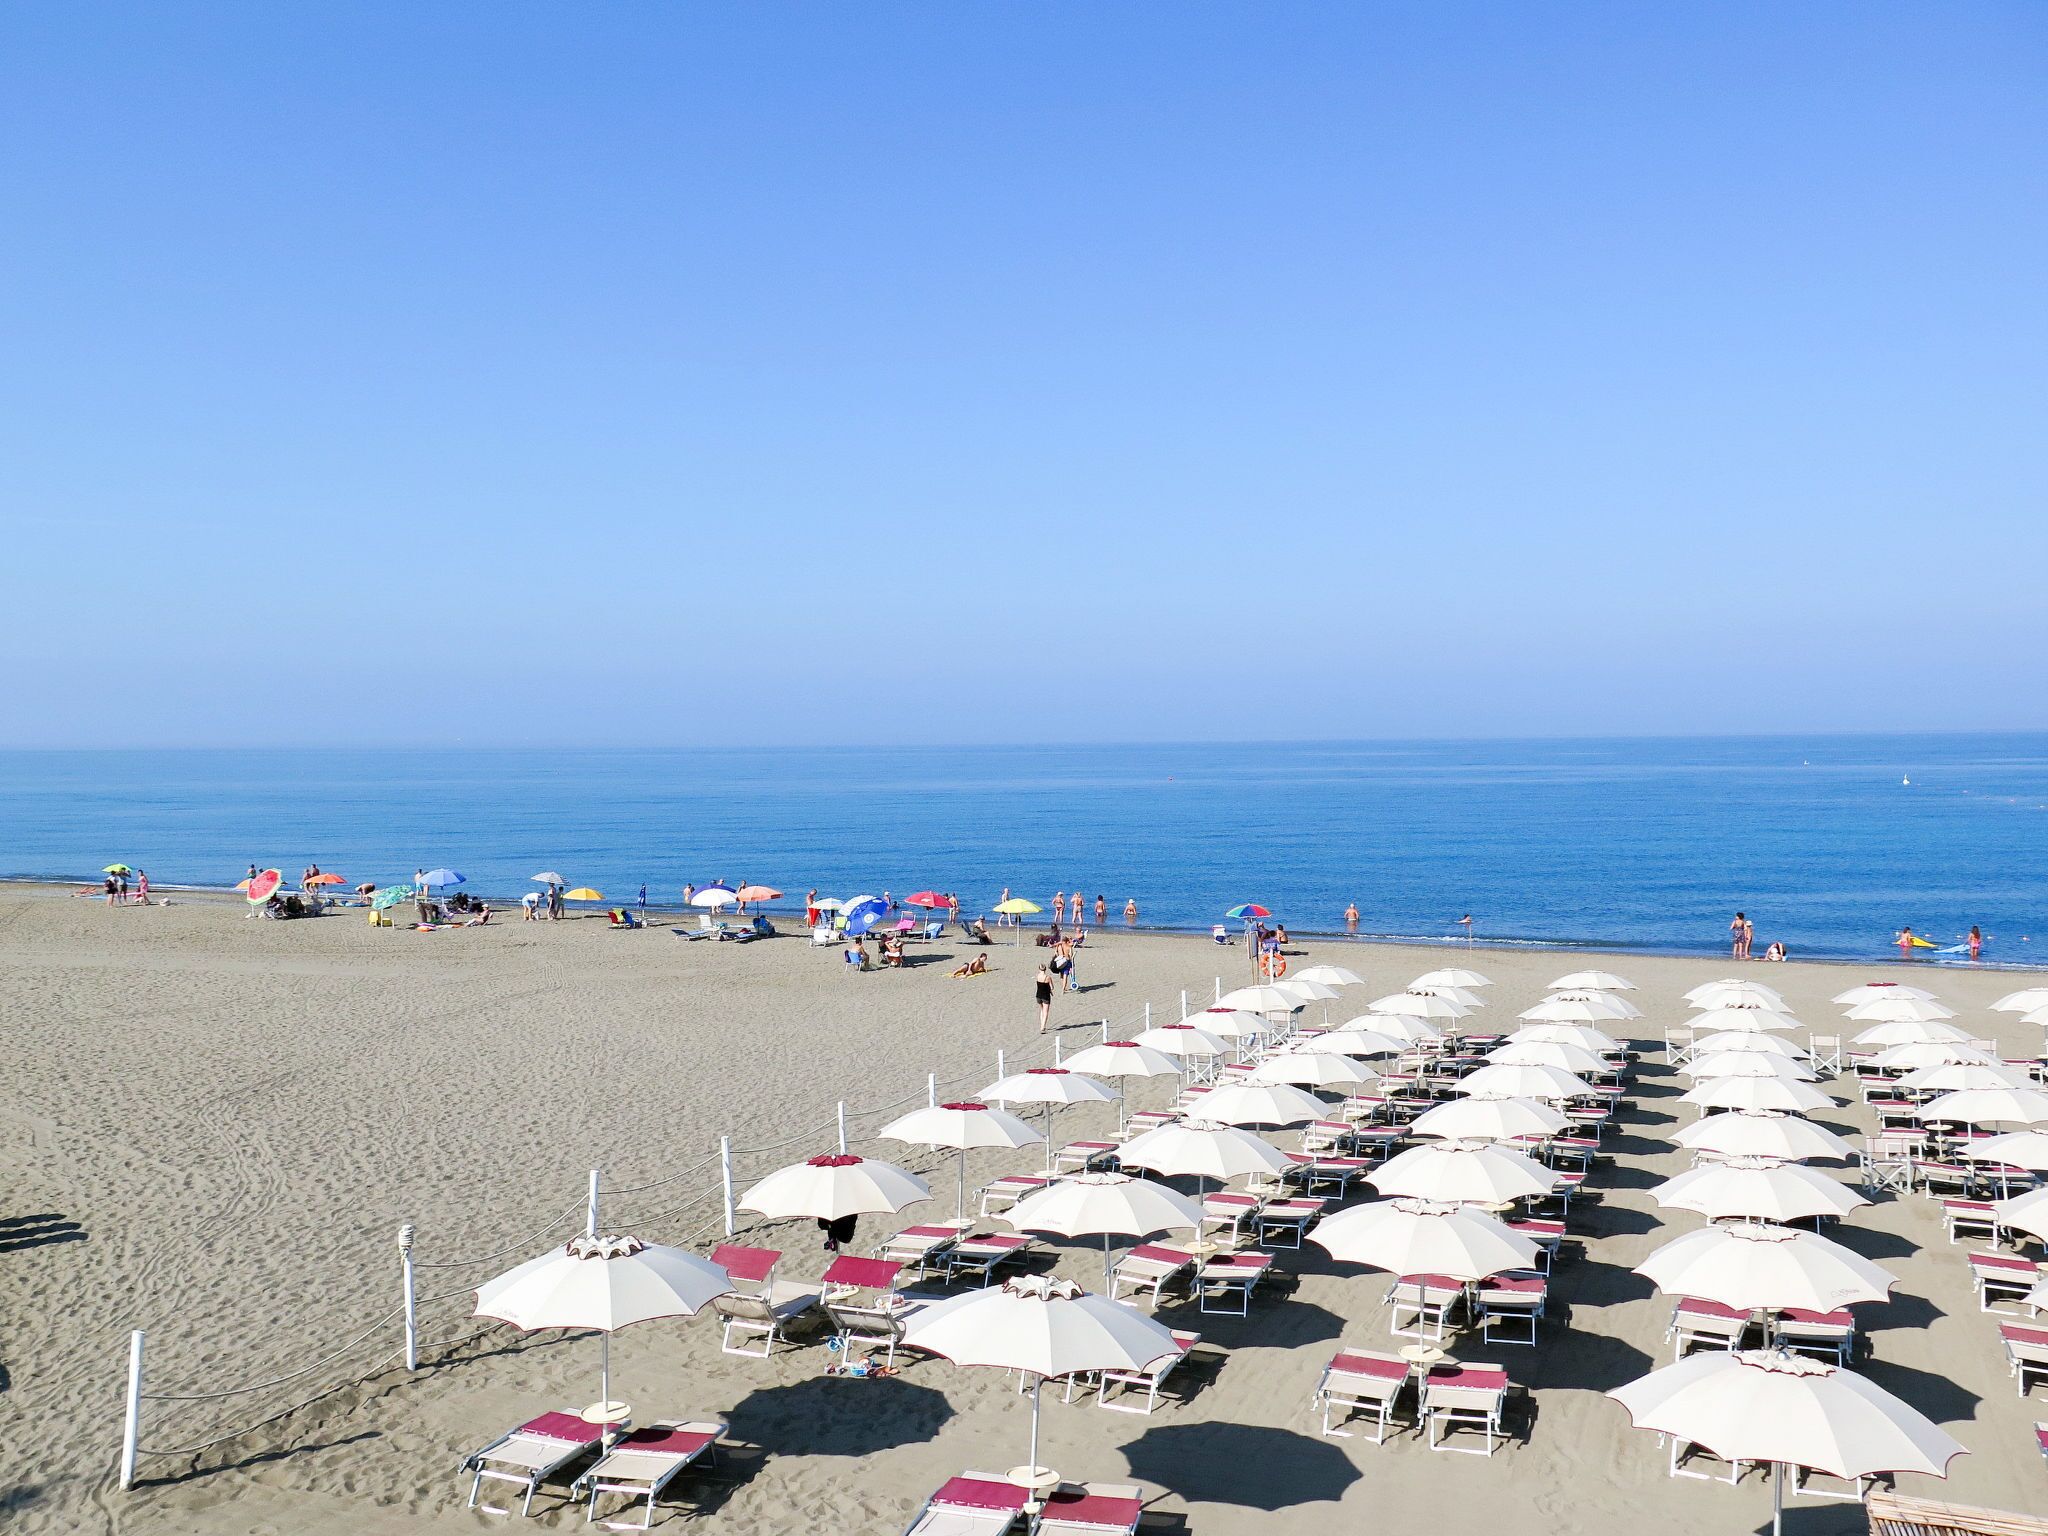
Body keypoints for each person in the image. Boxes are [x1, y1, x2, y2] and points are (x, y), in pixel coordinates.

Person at [1035, 963, 1054, 1033]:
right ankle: (1042, 1027)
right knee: (1045, 1012)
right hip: (1045, 996)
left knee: (1042, 1010)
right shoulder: (1048, 977)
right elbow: (1052, 987)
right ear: (1045, 969)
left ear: (1039, 969)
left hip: (1038, 995)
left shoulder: (1037, 976)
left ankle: (1042, 1025)